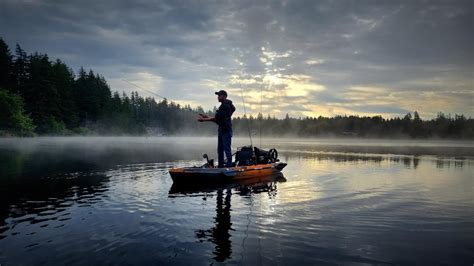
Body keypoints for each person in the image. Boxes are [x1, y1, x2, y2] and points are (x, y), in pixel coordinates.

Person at [198, 90, 236, 168]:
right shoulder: (225, 105)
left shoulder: (225, 106)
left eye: (220, 95)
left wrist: (204, 120)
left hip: (226, 130)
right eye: (218, 96)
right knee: (220, 150)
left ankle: (229, 167)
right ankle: (221, 166)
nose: (218, 97)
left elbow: (216, 119)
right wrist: (206, 117)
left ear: (225, 96)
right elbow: (218, 119)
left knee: (227, 149)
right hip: (221, 130)